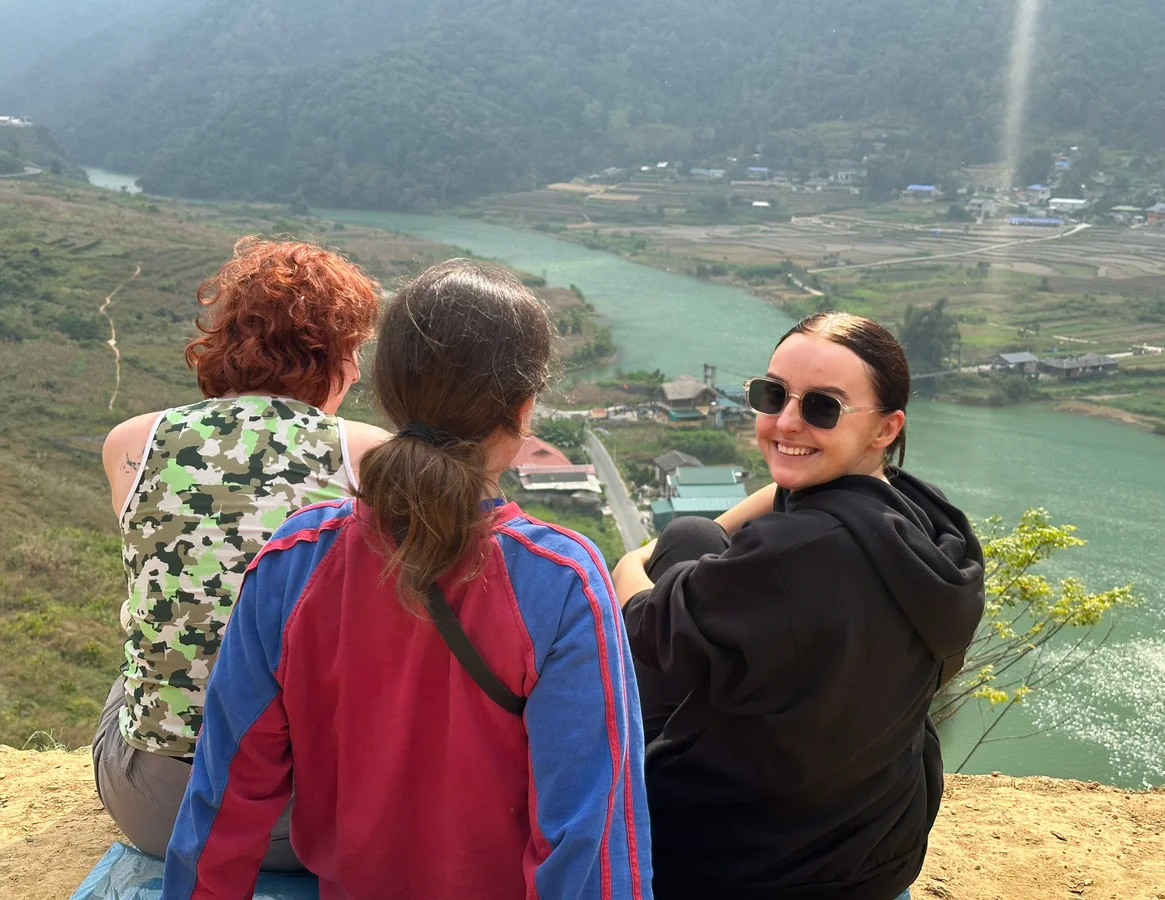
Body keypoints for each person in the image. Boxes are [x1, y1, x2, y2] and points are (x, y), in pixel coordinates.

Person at [161, 261, 651, 899]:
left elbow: (225, 797)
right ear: (525, 410)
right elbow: (591, 841)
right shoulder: (560, 581)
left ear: (391, 395)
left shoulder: (295, 560)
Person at [613, 312, 985, 900]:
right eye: (773, 394)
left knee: (679, 549)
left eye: (823, 408)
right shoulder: (931, 521)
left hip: (751, 862)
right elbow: (789, 492)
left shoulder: (791, 559)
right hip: (877, 848)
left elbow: (642, 623)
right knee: (697, 539)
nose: (786, 420)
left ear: (887, 428)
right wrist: (719, 526)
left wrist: (631, 563)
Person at [93, 237, 390, 868]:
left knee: (136, 659)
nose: (358, 372)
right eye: (354, 351)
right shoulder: (371, 455)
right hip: (322, 817)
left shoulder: (133, 441)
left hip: (162, 814)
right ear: (327, 351)